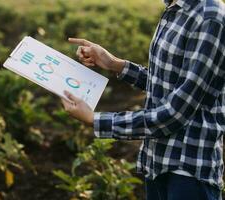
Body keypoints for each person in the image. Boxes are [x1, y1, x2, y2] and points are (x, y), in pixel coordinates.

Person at [60, 0, 225, 199]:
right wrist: (114, 64)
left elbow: (175, 113)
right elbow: (165, 83)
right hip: (156, 161)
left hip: (188, 171)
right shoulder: (175, 9)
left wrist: (95, 120)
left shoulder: (210, 18)